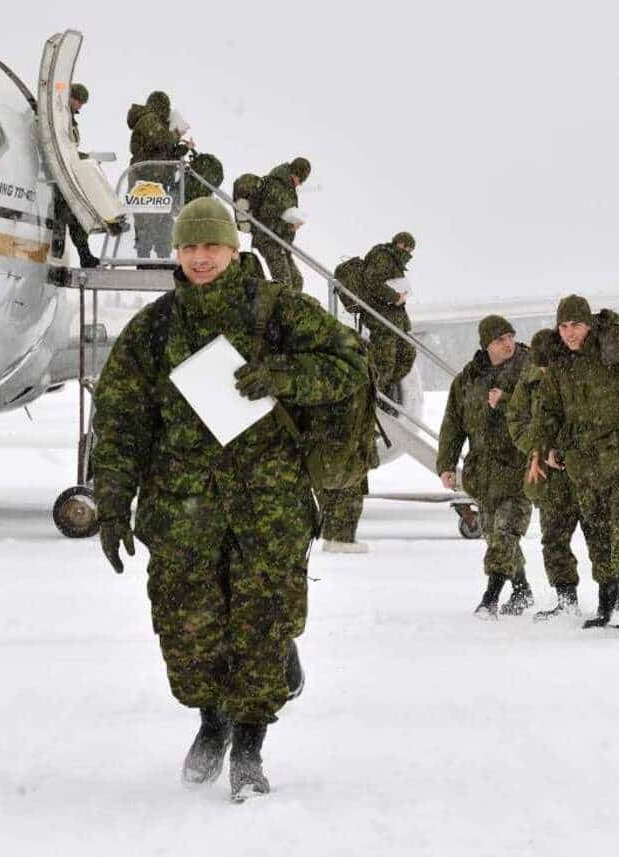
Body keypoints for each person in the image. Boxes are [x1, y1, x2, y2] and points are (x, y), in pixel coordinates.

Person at [90, 197, 368, 801]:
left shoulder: (276, 311)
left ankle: (249, 744)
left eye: (211, 246)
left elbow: (349, 364)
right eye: (190, 247)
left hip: (267, 505)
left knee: (261, 629)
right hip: (180, 508)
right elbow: (118, 419)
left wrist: (284, 376)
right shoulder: (156, 327)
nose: (200, 257)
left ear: (233, 250)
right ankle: (210, 721)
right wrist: (111, 501)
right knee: (188, 635)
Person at [532, 296, 619, 629]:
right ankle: (605, 602)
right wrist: (544, 447)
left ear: (589, 324)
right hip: (585, 464)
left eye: (576, 325)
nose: (569, 333)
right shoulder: (559, 363)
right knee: (597, 535)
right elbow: (548, 410)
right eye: (563, 326)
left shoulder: (617, 351)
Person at [438, 315, 534, 617]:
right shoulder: (468, 379)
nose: (508, 344)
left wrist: (506, 401)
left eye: (510, 337)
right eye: (499, 340)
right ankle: (522, 591)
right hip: (484, 472)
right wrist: (447, 464)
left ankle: (490, 598)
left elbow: (543, 410)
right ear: (486, 345)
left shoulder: (529, 370)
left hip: (520, 467)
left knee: (506, 532)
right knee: (494, 534)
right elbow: (453, 424)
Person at [507, 329, 583, 619]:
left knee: (599, 537)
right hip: (549, 479)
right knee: (553, 540)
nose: (543, 370)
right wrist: (540, 450)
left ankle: (613, 600)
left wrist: (566, 451)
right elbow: (517, 421)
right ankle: (566, 599)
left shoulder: (578, 377)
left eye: (547, 363)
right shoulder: (529, 383)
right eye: (539, 365)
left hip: (582, 473)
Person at [127, 90, 192, 261]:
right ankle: (145, 260)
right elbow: (160, 141)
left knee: (163, 221)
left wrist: (184, 149)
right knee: (147, 221)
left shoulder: (154, 122)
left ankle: (161, 257)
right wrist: (177, 134)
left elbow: (163, 150)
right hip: (146, 179)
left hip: (156, 179)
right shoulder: (148, 119)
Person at [359, 232, 418, 403]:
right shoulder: (382, 257)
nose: (407, 251)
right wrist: (394, 296)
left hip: (395, 319)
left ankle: (381, 394)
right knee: (385, 363)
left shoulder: (395, 262)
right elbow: (372, 282)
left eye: (410, 249)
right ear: (397, 243)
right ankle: (373, 399)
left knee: (407, 353)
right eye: (405, 246)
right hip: (382, 319)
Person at [50, 81, 100, 269]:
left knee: (75, 214)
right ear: (71, 98)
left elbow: (68, 149)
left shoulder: (67, 117)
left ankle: (84, 254)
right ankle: (82, 254)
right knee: (72, 214)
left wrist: (81, 158)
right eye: (78, 101)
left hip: (66, 173)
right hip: (61, 175)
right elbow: (61, 148)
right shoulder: (60, 116)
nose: (79, 106)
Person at [251, 157, 311, 291]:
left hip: (280, 242)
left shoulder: (287, 187)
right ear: (295, 173)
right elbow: (265, 216)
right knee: (285, 284)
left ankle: (291, 311)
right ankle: (279, 310)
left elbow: (281, 213)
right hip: (268, 239)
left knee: (296, 281)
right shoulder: (277, 185)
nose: (300, 184)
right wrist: (289, 226)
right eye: (300, 180)